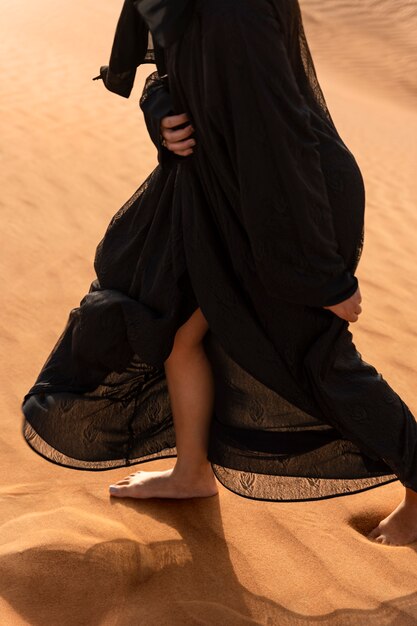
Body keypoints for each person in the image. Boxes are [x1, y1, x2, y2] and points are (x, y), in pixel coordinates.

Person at [21, 0, 417, 546]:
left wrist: (319, 274)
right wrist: (160, 107)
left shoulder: (237, 11)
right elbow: (171, 67)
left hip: (283, 204)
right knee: (174, 330)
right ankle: (191, 473)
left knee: (312, 358)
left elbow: (283, 139)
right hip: (212, 188)